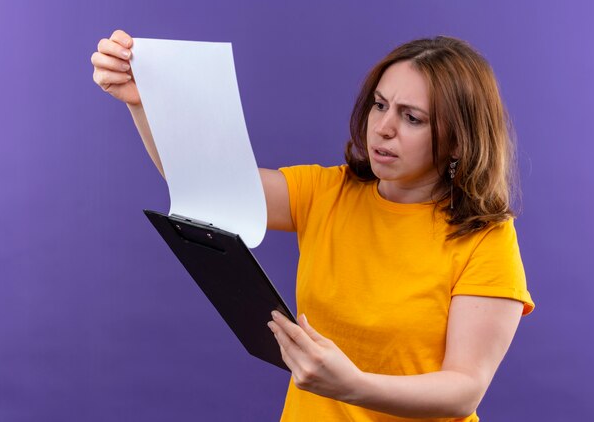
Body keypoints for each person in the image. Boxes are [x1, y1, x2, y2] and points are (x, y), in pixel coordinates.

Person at [92, 30, 534, 421]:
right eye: (380, 105)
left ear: (459, 138)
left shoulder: (486, 238)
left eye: (411, 117)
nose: (382, 127)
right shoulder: (329, 192)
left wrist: (354, 385)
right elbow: (210, 186)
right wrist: (143, 101)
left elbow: (464, 389)